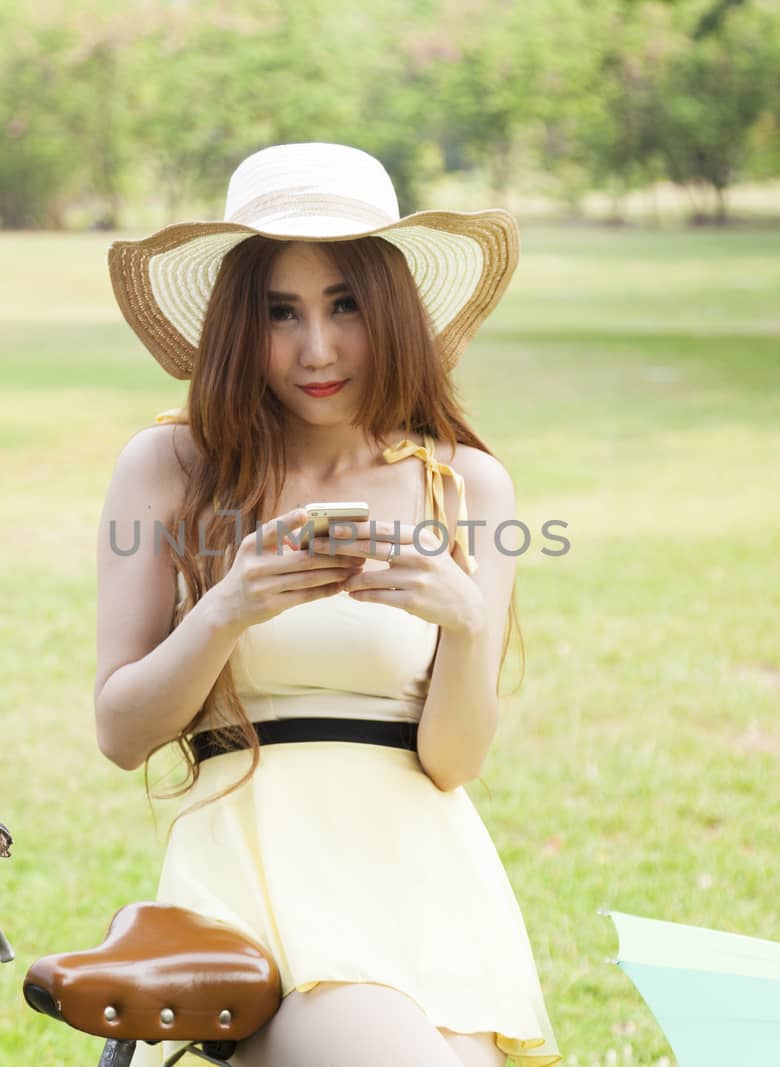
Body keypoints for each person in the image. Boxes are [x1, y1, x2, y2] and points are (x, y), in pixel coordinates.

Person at [94, 142, 560, 1067]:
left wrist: (464, 620)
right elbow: (121, 731)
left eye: (345, 305)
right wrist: (227, 605)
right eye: (282, 313)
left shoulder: (463, 483)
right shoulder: (171, 467)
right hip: (258, 867)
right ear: (240, 325)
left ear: (389, 310)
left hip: (423, 872)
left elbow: (453, 760)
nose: (317, 349)